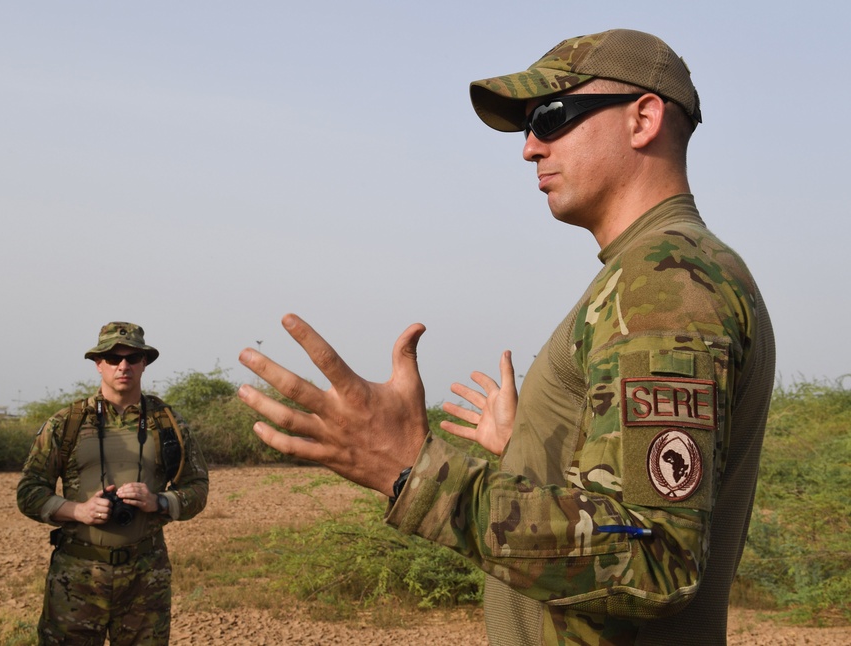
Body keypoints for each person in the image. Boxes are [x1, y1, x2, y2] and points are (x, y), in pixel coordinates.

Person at [236, 29, 775, 646]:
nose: (528, 148)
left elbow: (653, 557)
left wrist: (413, 471)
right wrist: (533, 450)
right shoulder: (662, 273)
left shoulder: (664, 285)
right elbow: (625, 508)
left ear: (643, 118)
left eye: (550, 116)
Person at [17, 321, 209, 645]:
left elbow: (197, 487)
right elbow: (29, 491)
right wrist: (77, 511)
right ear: (98, 364)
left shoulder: (168, 423)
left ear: (144, 363)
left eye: (133, 358)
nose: (124, 366)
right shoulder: (68, 423)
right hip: (76, 576)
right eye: (113, 358)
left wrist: (159, 502)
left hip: (146, 575)